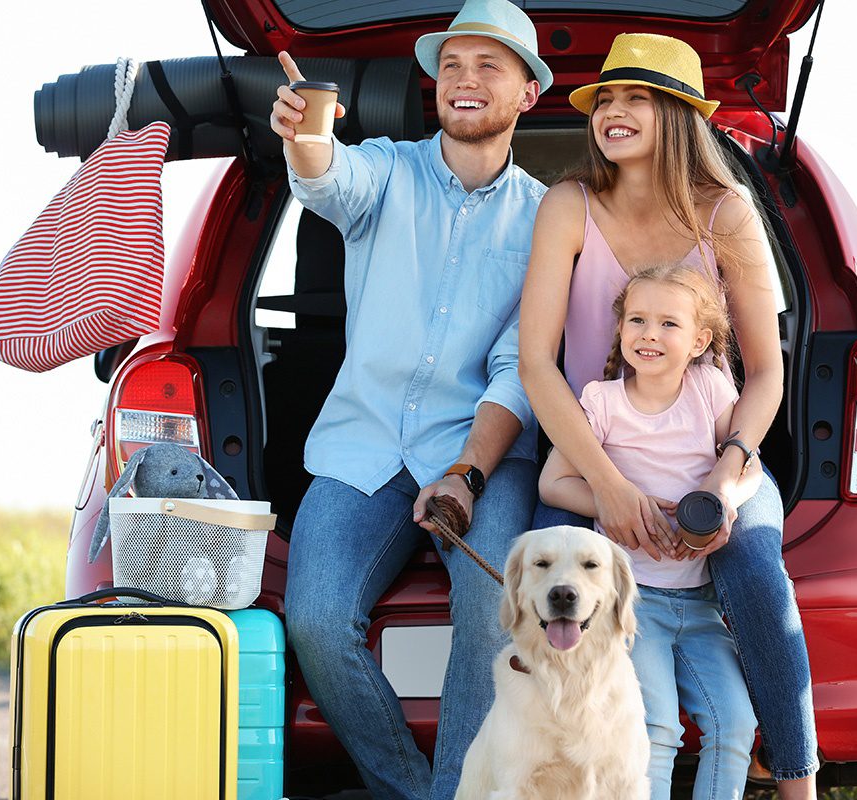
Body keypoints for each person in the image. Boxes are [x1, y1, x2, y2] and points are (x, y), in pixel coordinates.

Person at [519, 33, 820, 797]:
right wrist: (610, 489)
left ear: (681, 115)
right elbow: (536, 367)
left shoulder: (728, 213)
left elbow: (766, 374)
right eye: (606, 99)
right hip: (601, 450)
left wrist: (725, 477)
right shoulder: (567, 205)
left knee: (753, 561)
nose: (613, 111)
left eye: (637, 98)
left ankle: (796, 780)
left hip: (714, 454)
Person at [268, 1, 553, 797]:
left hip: (482, 455)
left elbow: (519, 367)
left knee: (490, 612)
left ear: (528, 92)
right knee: (316, 621)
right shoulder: (386, 168)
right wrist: (307, 136)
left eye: (488, 66)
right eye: (451, 66)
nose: (463, 81)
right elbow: (330, 176)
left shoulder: (545, 219)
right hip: (362, 450)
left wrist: (466, 473)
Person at [539, 263, 763, 798]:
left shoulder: (708, 389)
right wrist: (622, 505)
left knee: (735, 726)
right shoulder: (602, 403)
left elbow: (748, 466)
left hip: (702, 601)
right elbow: (553, 482)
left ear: (699, 341)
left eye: (669, 324)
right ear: (619, 331)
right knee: (655, 729)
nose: (650, 334)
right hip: (631, 605)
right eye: (637, 320)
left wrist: (724, 499)